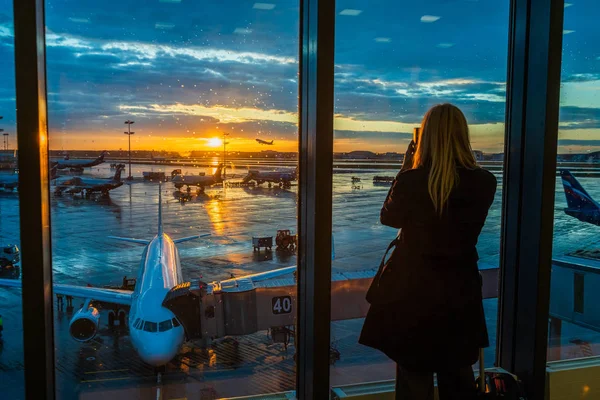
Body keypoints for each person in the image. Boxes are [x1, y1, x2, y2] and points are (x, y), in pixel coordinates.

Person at [359, 103, 497, 400]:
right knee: (458, 376)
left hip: (413, 291)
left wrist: (406, 168)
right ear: (463, 136)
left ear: (426, 138)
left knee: (413, 378)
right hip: (460, 290)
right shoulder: (485, 182)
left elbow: (389, 218)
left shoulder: (412, 180)